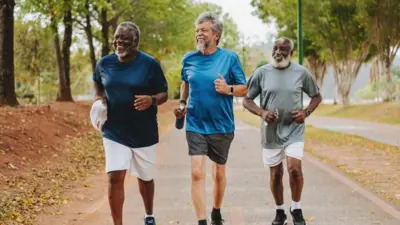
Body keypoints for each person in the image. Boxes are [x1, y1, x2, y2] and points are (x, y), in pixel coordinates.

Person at [174, 11, 248, 225]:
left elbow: (244, 89)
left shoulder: (229, 58)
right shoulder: (189, 58)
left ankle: (216, 211)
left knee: (218, 174)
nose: (199, 34)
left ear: (216, 35)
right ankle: (201, 221)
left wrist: (228, 88)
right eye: (197, 31)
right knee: (197, 173)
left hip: (222, 124)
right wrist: (182, 104)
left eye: (204, 30)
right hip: (196, 123)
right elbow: (185, 83)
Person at [92, 21, 168, 225]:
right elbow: (98, 83)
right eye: (117, 37)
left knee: (145, 176)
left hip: (144, 131)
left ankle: (149, 215)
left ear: (135, 42)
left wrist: (151, 100)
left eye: (124, 39)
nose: (119, 42)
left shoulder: (150, 64)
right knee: (115, 176)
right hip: (114, 130)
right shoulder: (105, 63)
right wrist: (99, 98)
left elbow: (164, 94)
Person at [243, 37, 322, 225]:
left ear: (291, 53)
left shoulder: (301, 72)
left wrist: (306, 112)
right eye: (276, 48)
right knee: (276, 173)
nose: (278, 52)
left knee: (294, 169)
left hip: (294, 129)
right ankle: (279, 212)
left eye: (284, 49)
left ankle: (296, 208)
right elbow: (246, 99)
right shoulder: (262, 73)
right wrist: (262, 113)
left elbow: (316, 96)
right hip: (271, 131)